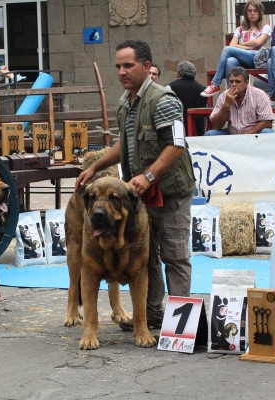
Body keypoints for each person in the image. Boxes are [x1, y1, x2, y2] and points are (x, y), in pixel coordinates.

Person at [75, 39, 195, 330]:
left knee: (174, 257)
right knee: (146, 259)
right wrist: (94, 166)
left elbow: (176, 145)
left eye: (128, 65)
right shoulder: (125, 103)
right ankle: (152, 317)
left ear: (146, 67)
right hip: (138, 197)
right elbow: (123, 145)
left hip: (169, 193)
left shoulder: (163, 100)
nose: (121, 72)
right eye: (117, 66)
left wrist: (149, 175)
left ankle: (181, 328)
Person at [201, 0, 271, 97]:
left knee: (227, 50)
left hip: (256, 58)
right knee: (230, 61)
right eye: (249, 11)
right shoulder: (239, 29)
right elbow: (232, 44)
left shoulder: (265, 27)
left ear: (260, 13)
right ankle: (233, 94)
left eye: (256, 11)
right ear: (246, 13)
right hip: (242, 59)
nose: (252, 13)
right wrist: (248, 46)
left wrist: (241, 45)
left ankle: (215, 84)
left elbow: (257, 42)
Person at [205, 67, 275, 135]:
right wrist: (226, 105)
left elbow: (267, 122)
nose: (234, 84)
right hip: (232, 134)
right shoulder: (224, 96)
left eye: (238, 81)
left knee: (267, 132)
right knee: (210, 134)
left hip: (254, 135)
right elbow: (215, 126)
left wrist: (245, 136)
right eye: (231, 81)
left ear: (246, 83)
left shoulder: (259, 94)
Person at [166, 61, 208, 136]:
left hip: (177, 135)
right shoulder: (204, 90)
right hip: (198, 134)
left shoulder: (170, 88)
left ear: (179, 74)